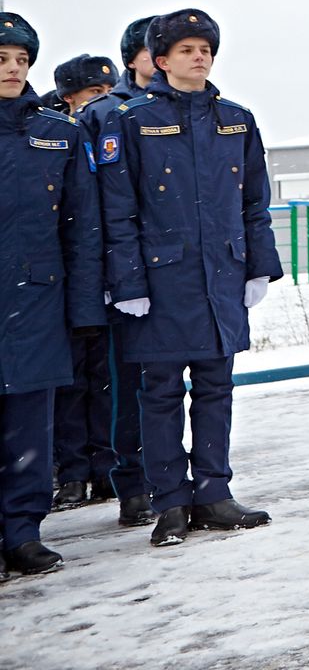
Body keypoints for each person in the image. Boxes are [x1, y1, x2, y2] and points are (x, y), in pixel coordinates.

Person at [97, 9, 283, 547]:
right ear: (160, 61)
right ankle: (170, 503)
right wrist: (128, 282)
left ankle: (213, 493)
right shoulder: (131, 121)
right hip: (161, 283)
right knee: (159, 394)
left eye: (205, 49)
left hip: (221, 277)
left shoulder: (236, 119)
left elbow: (255, 202)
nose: (199, 57)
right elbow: (118, 210)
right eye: (186, 50)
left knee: (216, 389)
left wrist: (259, 266)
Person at [0, 13, 106, 576]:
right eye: (2, 60)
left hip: (37, 300)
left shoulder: (58, 132)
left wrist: (85, 309)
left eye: (21, 60)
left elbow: (83, 227)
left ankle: (22, 533)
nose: (14, 69)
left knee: (29, 426)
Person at [79, 15, 158, 527]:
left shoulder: (189, 109)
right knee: (125, 384)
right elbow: (91, 205)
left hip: (173, 272)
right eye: (153, 49)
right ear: (134, 58)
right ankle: (131, 482)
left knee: (166, 387)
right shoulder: (105, 114)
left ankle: (170, 477)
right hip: (123, 273)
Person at [44, 55, 123, 512]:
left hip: (107, 277)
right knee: (69, 383)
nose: (103, 102)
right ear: (69, 98)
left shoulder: (117, 138)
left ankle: (106, 467)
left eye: (109, 92)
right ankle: (72, 472)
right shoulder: (54, 139)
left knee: (105, 379)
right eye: (94, 93)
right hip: (65, 278)